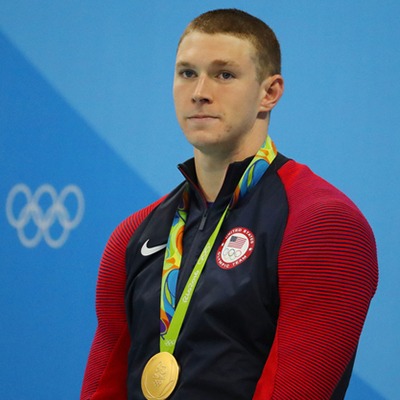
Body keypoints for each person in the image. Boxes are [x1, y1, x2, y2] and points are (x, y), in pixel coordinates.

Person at [80, 8, 378, 400]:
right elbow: (102, 389)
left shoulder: (321, 225)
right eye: (187, 72)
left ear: (269, 93)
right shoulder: (132, 237)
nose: (200, 90)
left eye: (224, 74)